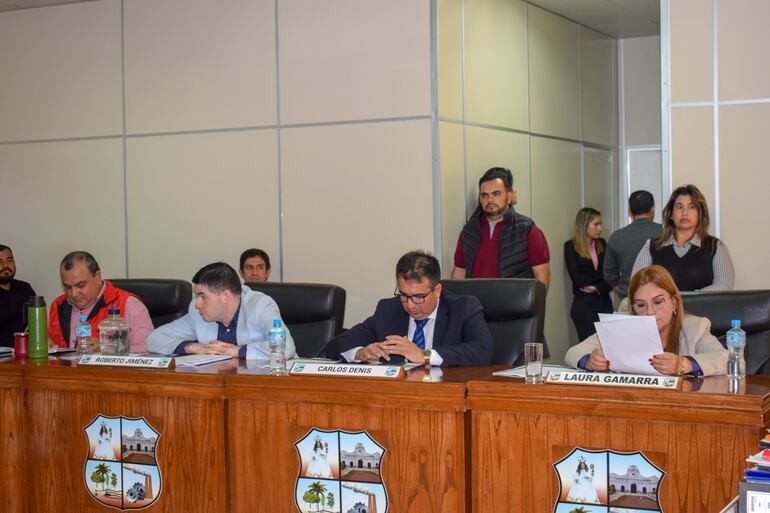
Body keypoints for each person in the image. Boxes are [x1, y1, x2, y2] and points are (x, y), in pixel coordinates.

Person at [325, 250, 493, 366]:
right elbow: (336, 345)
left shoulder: (463, 308)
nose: (410, 305)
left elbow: (483, 351)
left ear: (437, 291)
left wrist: (424, 355)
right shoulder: (388, 309)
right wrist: (359, 353)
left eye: (419, 297)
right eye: (404, 295)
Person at [564, 265, 729, 376]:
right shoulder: (623, 327)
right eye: (641, 305)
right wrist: (589, 361)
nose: (650, 312)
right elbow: (573, 352)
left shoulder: (695, 326)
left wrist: (684, 364)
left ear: (673, 302)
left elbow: (729, 359)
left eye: (658, 302)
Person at [147, 262, 295, 359]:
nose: (197, 304)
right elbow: (154, 339)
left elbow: (285, 348)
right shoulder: (197, 312)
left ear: (225, 296)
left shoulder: (259, 306)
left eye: (203, 296)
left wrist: (237, 351)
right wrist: (194, 347)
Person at [451, 167, 551, 287]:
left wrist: (536, 300)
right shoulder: (469, 231)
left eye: (496, 194)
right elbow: (459, 273)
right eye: (484, 195)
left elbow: (542, 276)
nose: (489, 200)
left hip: (514, 299)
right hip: (474, 299)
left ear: (509, 197)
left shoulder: (528, 231)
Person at [631, 184, 734, 291]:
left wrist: (692, 297)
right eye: (679, 207)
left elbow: (724, 284)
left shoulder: (715, 247)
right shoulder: (651, 246)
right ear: (671, 214)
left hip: (701, 303)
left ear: (700, 214)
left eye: (691, 207)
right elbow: (637, 284)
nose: (684, 213)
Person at [49, 251, 152, 353]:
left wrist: (108, 348)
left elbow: (149, 347)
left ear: (97, 277)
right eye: (67, 287)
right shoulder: (58, 305)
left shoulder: (128, 304)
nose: (74, 294)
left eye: (81, 285)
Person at [564, 208, 613, 342]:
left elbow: (611, 276)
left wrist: (597, 287)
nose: (600, 228)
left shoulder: (602, 243)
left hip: (605, 303)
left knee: (608, 346)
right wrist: (602, 275)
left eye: (600, 224)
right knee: (589, 348)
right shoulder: (570, 246)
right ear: (584, 225)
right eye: (596, 224)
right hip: (584, 305)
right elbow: (578, 280)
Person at [603, 190, 663, 299]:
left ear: (629, 211)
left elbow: (609, 274)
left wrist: (624, 291)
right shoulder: (665, 233)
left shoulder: (616, 237)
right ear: (653, 209)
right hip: (660, 298)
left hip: (629, 297)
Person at [0, 244, 36, 348]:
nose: (5, 265)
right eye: (0, 261)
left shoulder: (25, 288)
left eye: (9, 260)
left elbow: (36, 322)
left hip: (26, 352)